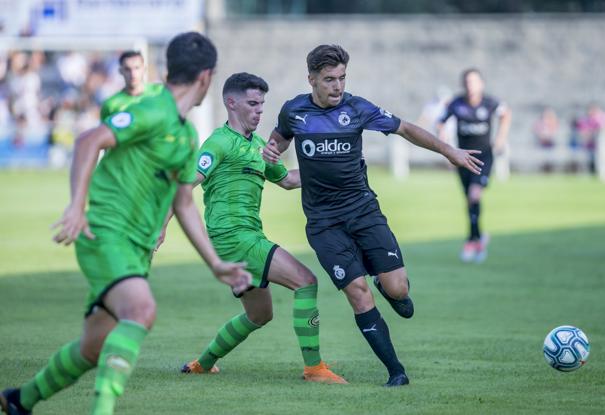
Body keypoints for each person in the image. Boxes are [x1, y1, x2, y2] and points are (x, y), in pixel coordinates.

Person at [0, 32, 251, 415]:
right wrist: (76, 207)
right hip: (104, 231)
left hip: (135, 248)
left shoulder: (185, 135)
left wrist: (215, 262)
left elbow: (184, 203)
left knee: (92, 347)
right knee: (141, 311)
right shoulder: (151, 108)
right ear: (207, 76)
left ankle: (20, 401)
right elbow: (88, 142)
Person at [262, 45, 483, 387]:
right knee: (357, 293)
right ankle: (396, 371)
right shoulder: (294, 112)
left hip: (363, 211)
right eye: (329, 79)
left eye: (342, 78)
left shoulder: (357, 107)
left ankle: (386, 283)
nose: (337, 86)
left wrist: (449, 151)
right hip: (323, 223)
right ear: (312, 80)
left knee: (397, 289)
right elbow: (276, 144)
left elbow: (406, 129)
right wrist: (271, 152)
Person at [163, 72, 346, 384]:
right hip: (233, 237)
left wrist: (328, 169)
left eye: (262, 104)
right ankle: (314, 369)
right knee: (306, 281)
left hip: (246, 237)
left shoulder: (259, 145)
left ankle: (203, 364)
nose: (259, 110)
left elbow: (287, 180)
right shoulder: (219, 143)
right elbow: (184, 185)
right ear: (231, 103)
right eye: (252, 103)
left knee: (259, 314)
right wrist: (161, 226)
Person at [437, 68, 511, 263]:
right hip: (462, 158)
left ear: (481, 84)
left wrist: (501, 138)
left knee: (474, 195)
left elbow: (506, 114)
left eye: (474, 81)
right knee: (470, 200)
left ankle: (472, 240)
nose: (471, 85)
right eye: (467, 82)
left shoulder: (490, 103)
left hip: (484, 158)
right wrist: (445, 145)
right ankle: (478, 237)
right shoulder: (456, 103)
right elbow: (440, 122)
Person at [99, 50, 162, 121]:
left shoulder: (159, 93)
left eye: (137, 68)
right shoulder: (111, 105)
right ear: (120, 71)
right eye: (127, 69)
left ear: (144, 69)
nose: (133, 74)